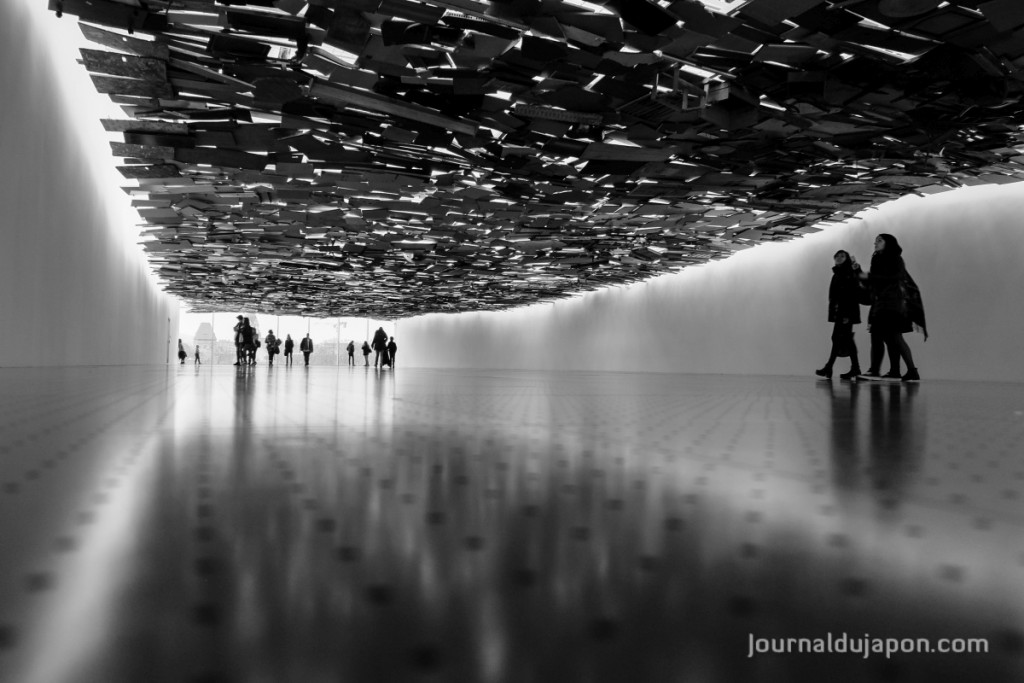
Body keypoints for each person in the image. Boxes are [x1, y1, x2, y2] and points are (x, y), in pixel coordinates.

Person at [859, 234, 927, 382]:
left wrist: (869, 277)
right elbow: (876, 282)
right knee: (888, 337)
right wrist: (861, 274)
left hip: (892, 304)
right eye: (875, 240)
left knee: (888, 336)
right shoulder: (877, 259)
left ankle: (880, 371)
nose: (875, 243)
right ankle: (898, 371)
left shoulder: (895, 259)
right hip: (882, 303)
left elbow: (895, 278)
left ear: (888, 243)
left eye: (879, 240)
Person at [815, 250, 862, 380]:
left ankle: (830, 367)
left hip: (846, 312)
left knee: (839, 338)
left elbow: (850, 294)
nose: (839, 258)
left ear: (847, 259)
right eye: (837, 256)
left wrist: (846, 314)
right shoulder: (839, 273)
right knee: (843, 339)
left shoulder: (847, 273)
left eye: (842, 256)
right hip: (842, 312)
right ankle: (853, 368)